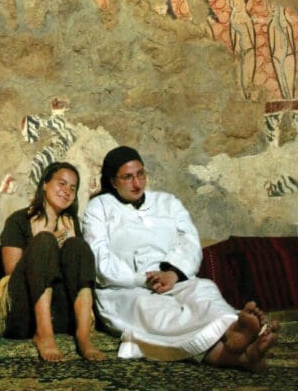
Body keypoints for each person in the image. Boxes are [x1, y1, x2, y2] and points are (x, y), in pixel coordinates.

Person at [83, 146, 279, 370]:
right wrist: (141, 279)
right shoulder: (98, 208)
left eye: (141, 174)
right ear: (112, 181)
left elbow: (189, 241)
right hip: (126, 290)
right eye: (127, 177)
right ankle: (242, 355)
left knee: (204, 290)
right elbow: (99, 257)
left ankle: (233, 330)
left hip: (172, 278)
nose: (137, 183)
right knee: (157, 312)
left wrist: (173, 273)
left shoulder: (167, 202)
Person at [0, 161, 105, 363]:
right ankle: (44, 334)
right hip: (24, 313)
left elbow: (78, 272)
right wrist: (46, 242)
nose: (67, 191)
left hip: (62, 314)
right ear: (45, 184)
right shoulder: (19, 220)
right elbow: (11, 271)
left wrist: (69, 240)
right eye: (61, 183)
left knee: (79, 246)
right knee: (45, 241)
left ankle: (83, 336)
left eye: (72, 188)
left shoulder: (72, 224)